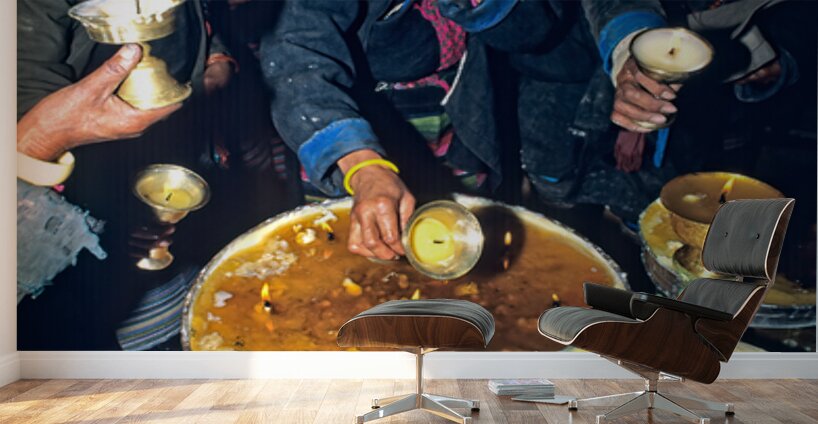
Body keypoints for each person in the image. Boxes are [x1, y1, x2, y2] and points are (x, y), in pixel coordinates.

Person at [260, 0, 555, 261]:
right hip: (346, 120)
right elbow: (296, 56)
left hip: (454, 113)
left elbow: (535, 32)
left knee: (453, 239)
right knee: (357, 244)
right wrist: (363, 166)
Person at [17, 0, 236, 350]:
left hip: (173, 142)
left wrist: (216, 57)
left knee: (184, 283)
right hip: (82, 177)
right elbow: (24, 81)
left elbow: (195, 15)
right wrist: (49, 142)